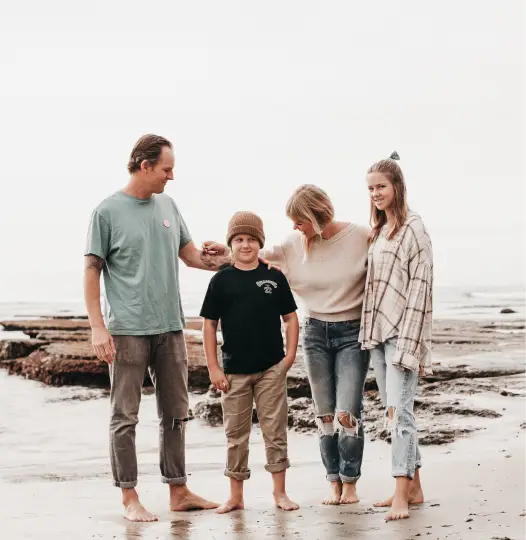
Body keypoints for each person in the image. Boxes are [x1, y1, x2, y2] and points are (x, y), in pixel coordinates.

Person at [84, 134, 229, 522]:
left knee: (176, 413)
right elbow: (92, 270)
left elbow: (193, 257)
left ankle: (178, 491)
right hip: (127, 331)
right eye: (167, 168)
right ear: (145, 165)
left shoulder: (168, 205)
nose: (172, 176)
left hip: (170, 328)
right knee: (124, 416)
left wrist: (226, 260)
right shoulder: (107, 212)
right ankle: (130, 497)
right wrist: (98, 327)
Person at [203, 186, 370, 505]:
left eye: (299, 220)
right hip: (315, 333)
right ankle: (333, 482)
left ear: (316, 216)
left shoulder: (360, 236)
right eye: (292, 221)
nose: (294, 226)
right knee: (323, 414)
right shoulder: (292, 245)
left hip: (352, 332)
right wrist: (221, 252)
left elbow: (389, 249)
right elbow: (248, 255)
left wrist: (287, 356)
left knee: (347, 412)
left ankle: (349, 482)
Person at [200, 211, 300, 514]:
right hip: (233, 372)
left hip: (272, 368)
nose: (246, 245)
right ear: (231, 243)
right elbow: (209, 325)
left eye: (252, 239)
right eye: (240, 239)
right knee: (235, 435)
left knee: (275, 431)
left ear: (260, 242)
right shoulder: (221, 281)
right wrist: (214, 368)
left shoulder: (273, 276)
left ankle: (280, 493)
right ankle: (235, 496)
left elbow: (291, 318)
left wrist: (289, 357)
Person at [359, 152, 433, 521]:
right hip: (379, 335)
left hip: (403, 336)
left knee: (399, 414)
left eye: (381, 187)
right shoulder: (378, 230)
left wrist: (409, 345)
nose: (374, 193)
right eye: (370, 188)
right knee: (394, 414)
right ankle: (414, 487)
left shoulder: (413, 229)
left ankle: (401, 493)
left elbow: (420, 289)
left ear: (398, 187)